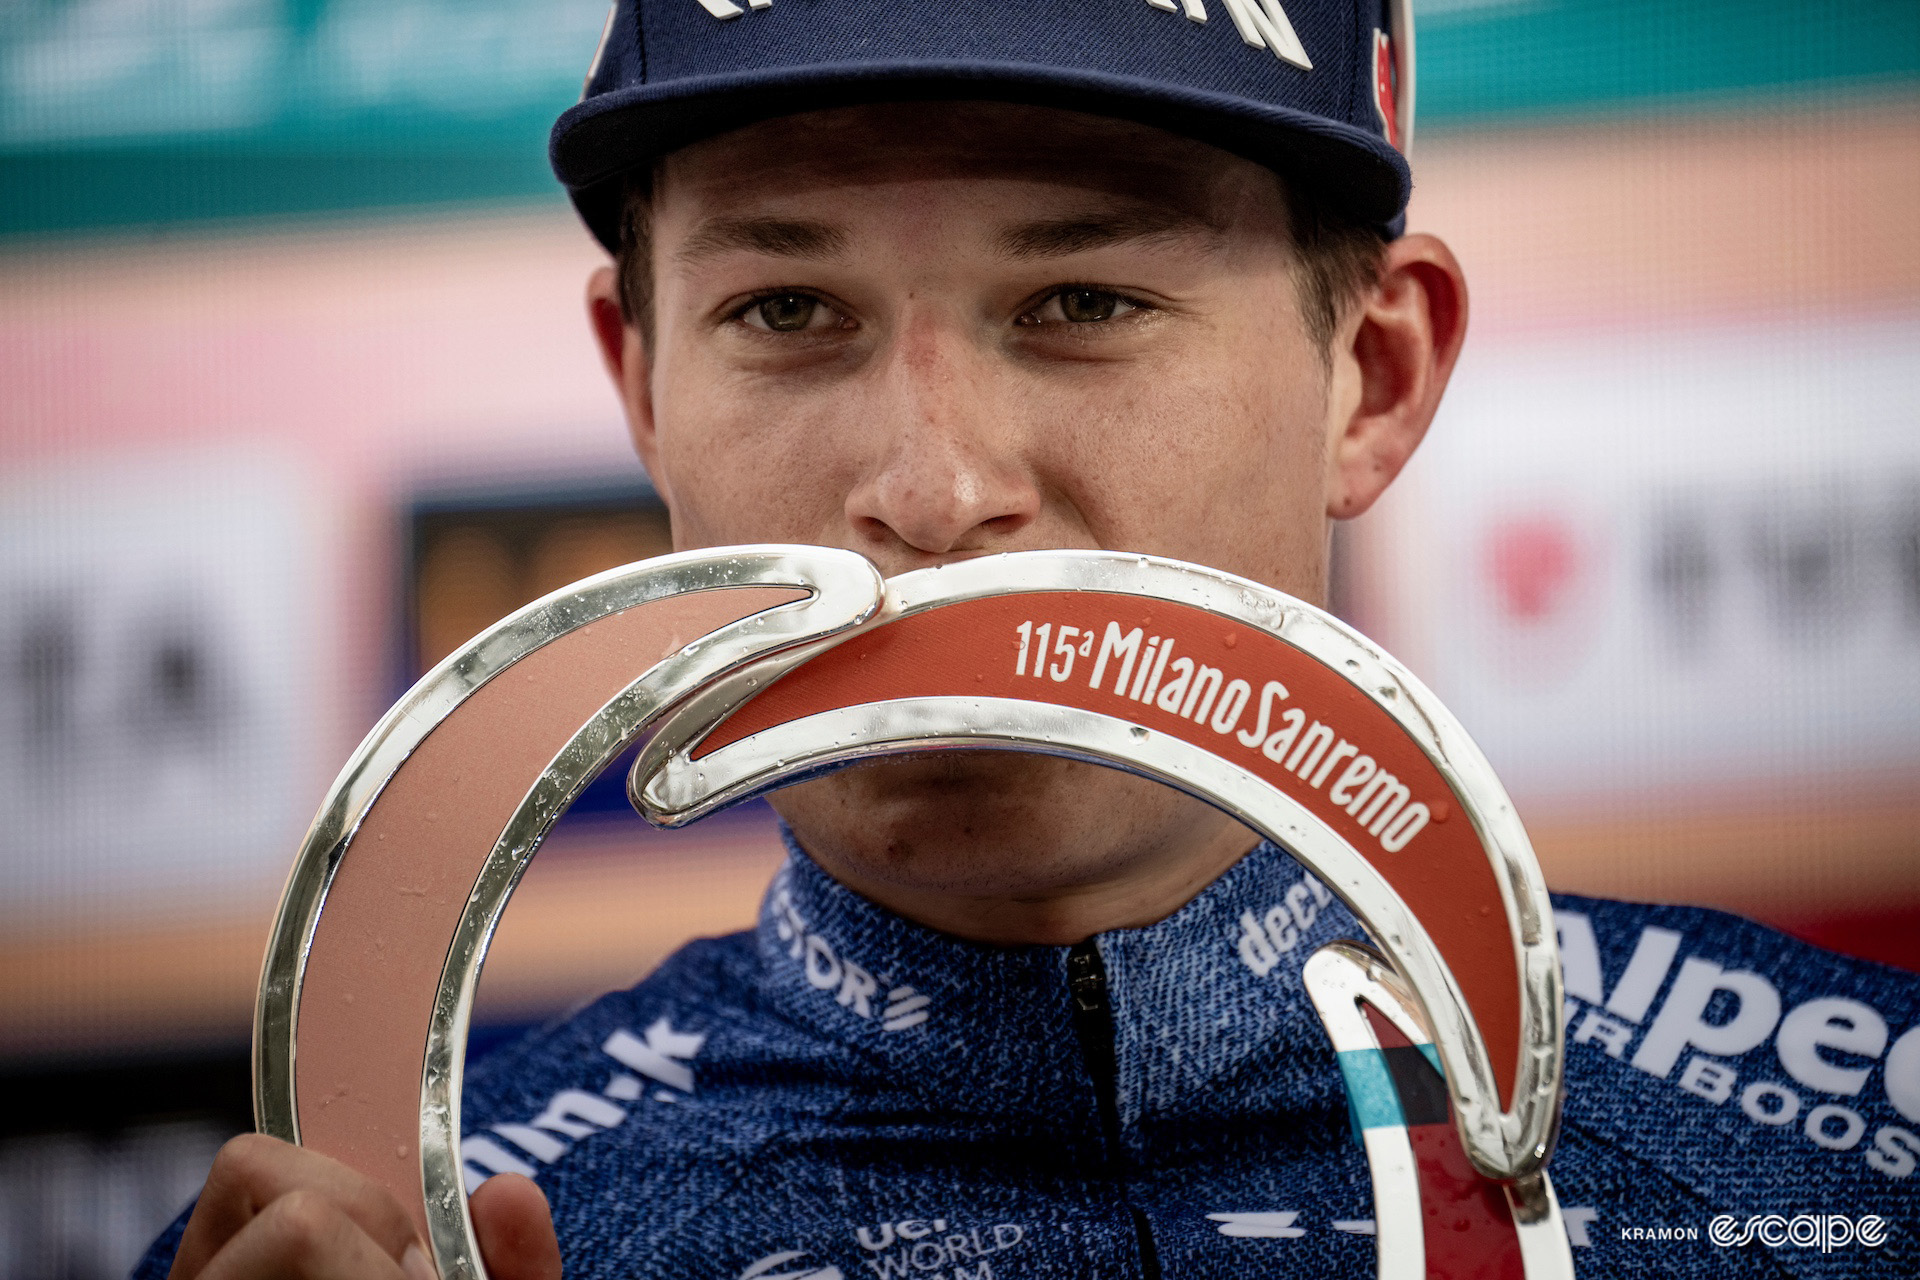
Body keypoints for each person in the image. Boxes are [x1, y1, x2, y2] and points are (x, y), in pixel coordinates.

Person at [137, 2, 1919, 1276]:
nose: (934, 486)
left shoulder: (1854, 1155)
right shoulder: (340, 1246)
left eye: (1081, 301)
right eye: (785, 309)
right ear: (643, 385)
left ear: (1369, 377)